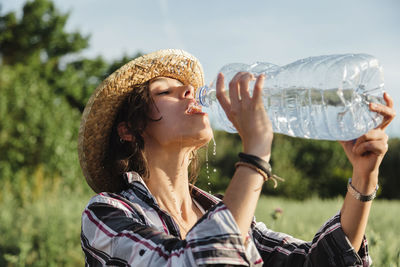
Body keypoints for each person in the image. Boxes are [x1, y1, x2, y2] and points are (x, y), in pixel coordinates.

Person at [79, 49, 395, 266]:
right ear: (130, 129)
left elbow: (317, 261)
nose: (189, 91)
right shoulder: (108, 214)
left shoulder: (221, 211)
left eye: (186, 86)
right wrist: (255, 153)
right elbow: (187, 261)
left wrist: (364, 175)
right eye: (166, 92)